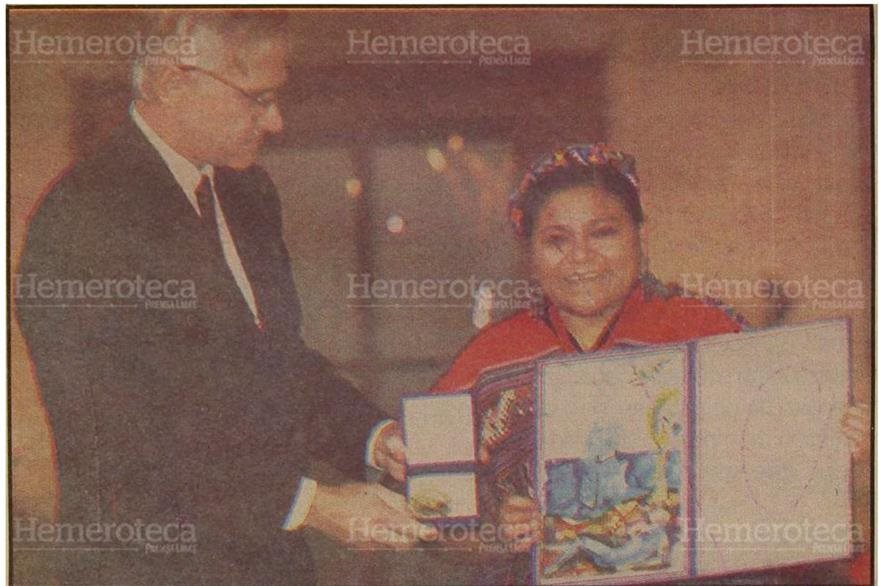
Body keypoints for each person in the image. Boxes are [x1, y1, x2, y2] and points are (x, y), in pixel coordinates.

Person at [16, 12, 420, 586]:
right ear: (172, 82)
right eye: (258, 98)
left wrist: (374, 438)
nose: (275, 121)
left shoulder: (247, 190)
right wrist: (315, 506)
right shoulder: (84, 217)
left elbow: (276, 363)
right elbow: (127, 441)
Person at [426, 144, 869, 583]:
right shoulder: (486, 360)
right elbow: (428, 506)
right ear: (530, 253)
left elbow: (784, 478)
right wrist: (492, 527)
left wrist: (833, 442)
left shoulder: (707, 330)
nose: (580, 257)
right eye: (556, 240)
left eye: (603, 233)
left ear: (641, 236)